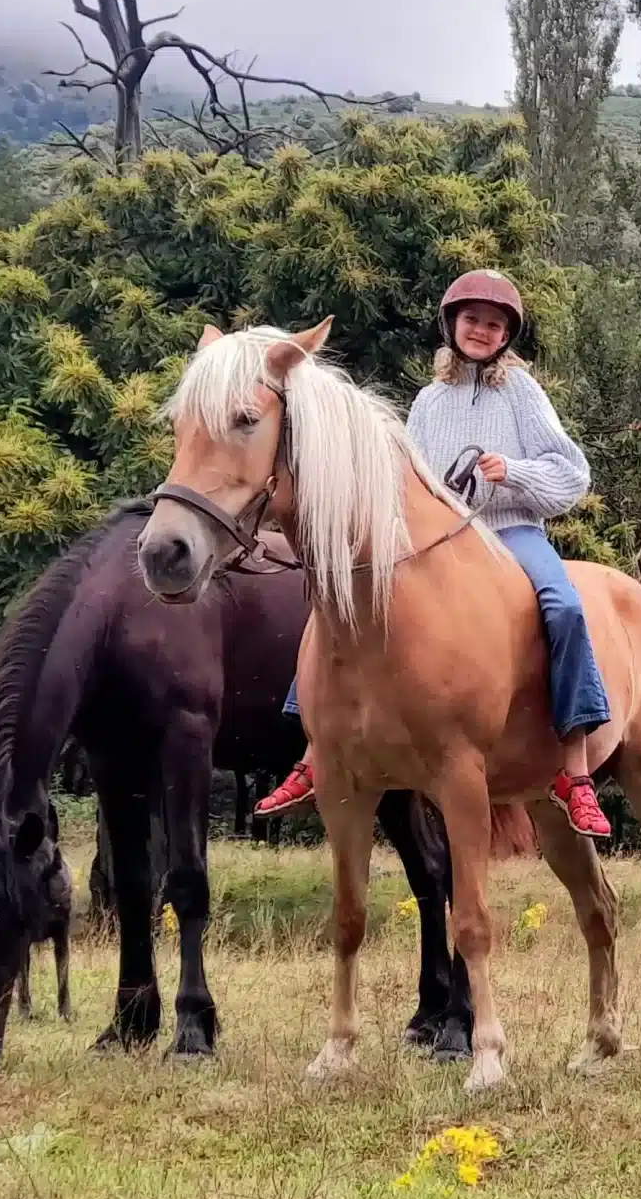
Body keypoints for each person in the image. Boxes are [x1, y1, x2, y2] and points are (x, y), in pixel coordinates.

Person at [253, 270, 617, 836]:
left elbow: (571, 474)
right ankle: (315, 751)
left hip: (510, 532)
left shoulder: (521, 392)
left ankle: (575, 768)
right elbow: (403, 480)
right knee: (338, 601)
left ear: (506, 337)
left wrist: (512, 471)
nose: (481, 331)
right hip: (431, 542)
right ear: (452, 325)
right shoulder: (427, 401)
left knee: (564, 607)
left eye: (494, 325)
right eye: (472, 320)